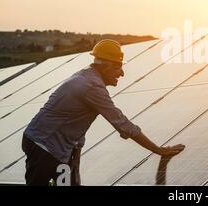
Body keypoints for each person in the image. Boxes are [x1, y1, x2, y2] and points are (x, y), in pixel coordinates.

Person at [22, 39, 185, 186]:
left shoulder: (85, 77)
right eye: (117, 66)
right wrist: (158, 150)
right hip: (44, 148)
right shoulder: (92, 86)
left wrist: (75, 156)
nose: (122, 73)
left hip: (55, 147)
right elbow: (123, 124)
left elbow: (75, 122)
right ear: (104, 65)